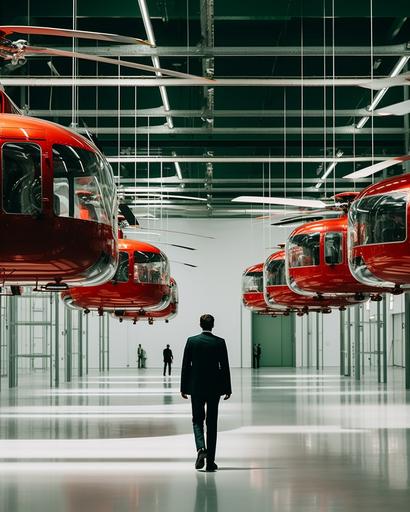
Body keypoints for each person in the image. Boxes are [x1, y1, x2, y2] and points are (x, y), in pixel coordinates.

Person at [181, 314, 232, 472]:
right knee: (212, 423)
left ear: (200, 324)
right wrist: (227, 388)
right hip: (214, 388)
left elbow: (185, 366)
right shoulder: (219, 342)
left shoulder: (192, 341)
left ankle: (201, 449)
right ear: (213, 325)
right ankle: (210, 462)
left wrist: (184, 387)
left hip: (196, 388)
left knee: (197, 420)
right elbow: (224, 366)